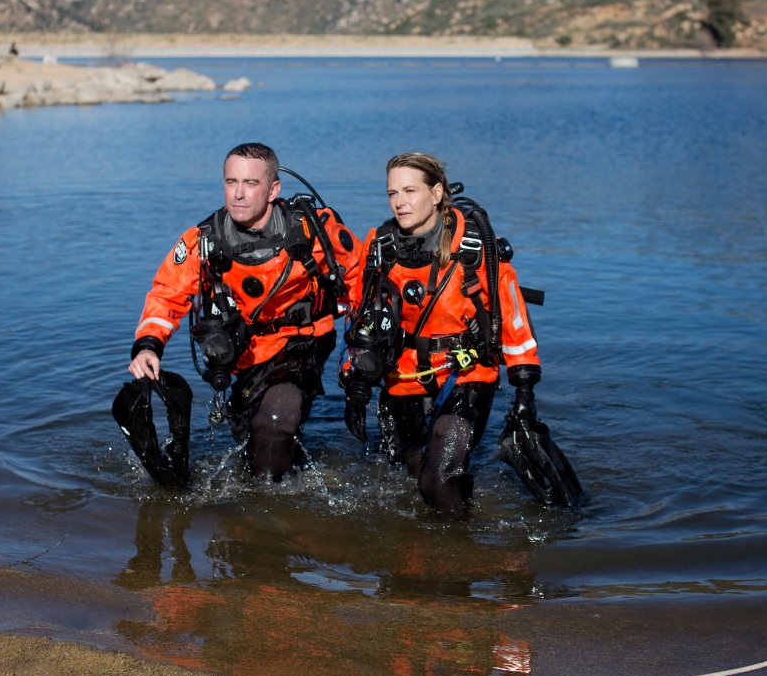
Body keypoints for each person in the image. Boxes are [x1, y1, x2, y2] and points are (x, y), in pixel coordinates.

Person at [128, 142, 362, 482]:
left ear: (273, 189)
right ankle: (280, 482)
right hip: (246, 355)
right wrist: (149, 345)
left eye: (250, 183)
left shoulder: (312, 229)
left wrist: (359, 354)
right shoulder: (204, 241)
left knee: (276, 420)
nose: (238, 194)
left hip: (302, 343)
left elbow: (359, 279)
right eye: (231, 182)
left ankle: (271, 506)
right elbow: (168, 293)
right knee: (255, 439)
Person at [339, 152, 544, 515]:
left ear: (436, 194)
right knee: (416, 473)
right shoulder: (380, 247)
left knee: (438, 478)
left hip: (466, 374)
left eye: (410, 191)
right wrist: (355, 385)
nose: (399, 202)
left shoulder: (476, 247)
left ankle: (459, 546)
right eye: (392, 193)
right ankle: (439, 536)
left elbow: (514, 321)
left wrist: (524, 393)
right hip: (403, 377)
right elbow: (362, 321)